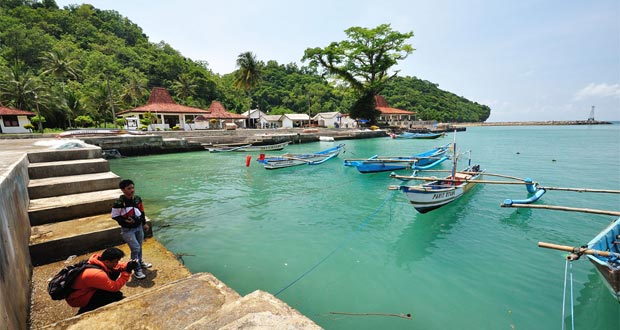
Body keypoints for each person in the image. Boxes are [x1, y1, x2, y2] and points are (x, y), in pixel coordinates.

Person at [66, 247, 139, 314]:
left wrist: (128, 265)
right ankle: (84, 311)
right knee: (115, 295)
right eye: (116, 261)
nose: (117, 263)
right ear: (107, 261)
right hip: (77, 298)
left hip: (83, 290)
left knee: (114, 272)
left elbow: (117, 265)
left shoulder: (98, 259)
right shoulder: (97, 274)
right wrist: (127, 272)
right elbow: (114, 287)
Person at [111, 179, 152, 279]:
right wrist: (125, 222)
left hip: (138, 227)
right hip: (127, 230)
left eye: (133, 187)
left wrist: (144, 223)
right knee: (136, 248)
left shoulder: (137, 199)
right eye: (129, 188)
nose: (132, 190)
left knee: (139, 246)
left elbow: (141, 211)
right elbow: (115, 216)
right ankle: (137, 269)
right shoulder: (119, 203)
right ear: (123, 190)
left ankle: (140, 262)